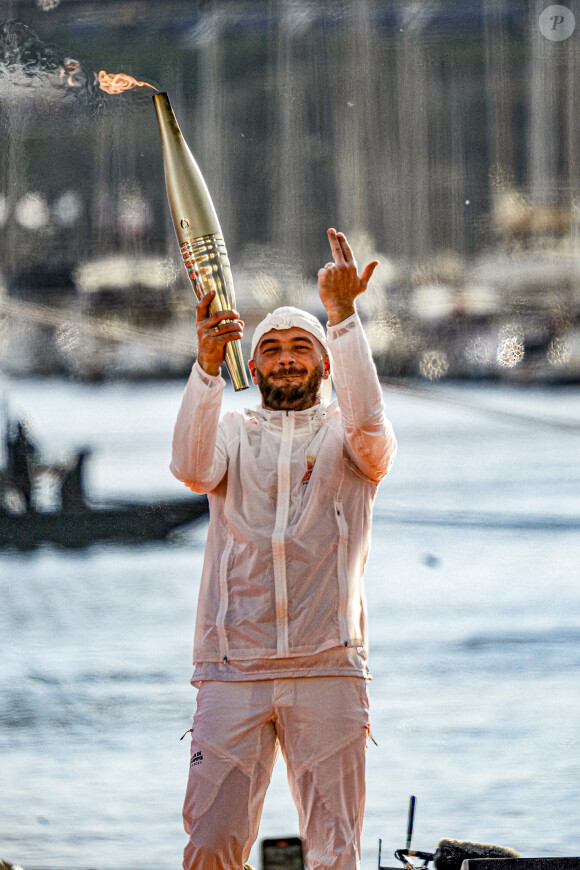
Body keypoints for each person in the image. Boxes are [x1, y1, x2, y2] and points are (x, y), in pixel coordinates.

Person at [170, 228, 397, 870]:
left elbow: (372, 430)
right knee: (211, 843)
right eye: (271, 349)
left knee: (334, 852)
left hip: (328, 666)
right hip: (231, 669)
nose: (287, 359)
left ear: (325, 364)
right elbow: (189, 465)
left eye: (303, 348)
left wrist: (345, 319)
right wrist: (208, 365)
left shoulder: (349, 442)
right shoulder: (234, 433)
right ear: (257, 365)